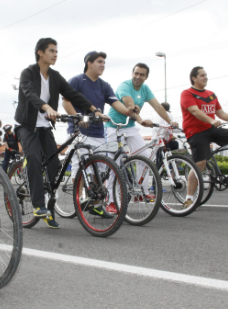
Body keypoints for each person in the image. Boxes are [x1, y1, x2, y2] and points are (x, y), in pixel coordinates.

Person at [14, 38, 106, 229]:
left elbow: (72, 94)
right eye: (52, 51)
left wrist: (93, 109)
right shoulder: (28, 73)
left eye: (57, 51)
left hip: (45, 126)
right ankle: (38, 205)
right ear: (40, 52)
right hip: (27, 125)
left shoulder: (55, 76)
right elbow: (30, 93)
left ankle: (50, 208)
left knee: (55, 167)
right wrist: (47, 107)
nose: (55, 54)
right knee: (33, 157)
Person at [62, 51, 136, 218]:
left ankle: (95, 204)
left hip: (97, 132)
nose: (102, 65)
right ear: (89, 63)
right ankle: (79, 199)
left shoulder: (104, 85)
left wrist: (128, 111)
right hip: (78, 131)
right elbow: (66, 102)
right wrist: (79, 117)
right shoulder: (77, 81)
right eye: (99, 62)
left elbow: (116, 104)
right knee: (80, 167)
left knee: (99, 170)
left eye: (104, 62)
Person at [105, 63, 178, 213]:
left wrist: (170, 122)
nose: (138, 77)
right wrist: (140, 118)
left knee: (145, 157)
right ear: (132, 73)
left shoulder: (145, 89)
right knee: (115, 162)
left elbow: (158, 107)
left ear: (146, 77)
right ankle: (110, 201)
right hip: (114, 126)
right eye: (136, 73)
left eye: (142, 75)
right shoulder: (124, 86)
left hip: (130, 127)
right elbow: (129, 104)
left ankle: (141, 191)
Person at [181, 66, 228, 209]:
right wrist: (211, 120)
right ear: (194, 78)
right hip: (195, 132)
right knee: (200, 163)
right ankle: (188, 198)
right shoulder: (187, 93)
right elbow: (194, 110)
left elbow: (221, 114)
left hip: (211, 129)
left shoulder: (211, 94)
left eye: (206, 75)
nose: (205, 77)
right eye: (202, 75)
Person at [152, 102, 180, 166]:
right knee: (175, 144)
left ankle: (159, 171)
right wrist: (172, 134)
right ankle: (173, 164)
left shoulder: (159, 115)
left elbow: (167, 126)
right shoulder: (168, 114)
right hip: (162, 139)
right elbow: (168, 126)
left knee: (159, 158)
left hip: (157, 139)